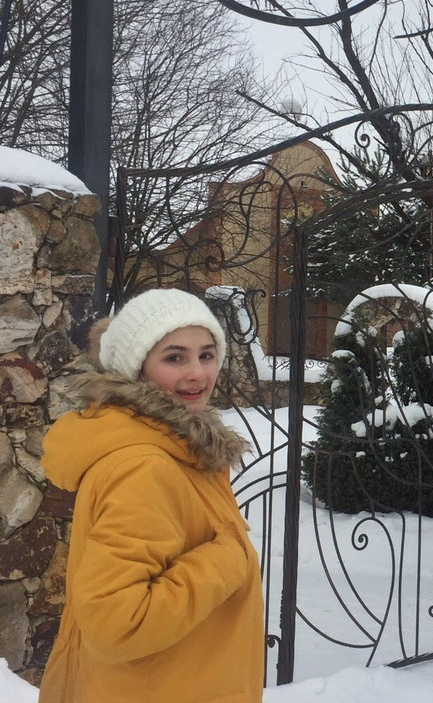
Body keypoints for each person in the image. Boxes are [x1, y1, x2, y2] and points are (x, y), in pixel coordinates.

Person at [38, 289, 264, 703]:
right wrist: (228, 559)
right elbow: (118, 623)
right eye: (174, 358)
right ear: (137, 368)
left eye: (207, 355)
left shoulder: (180, 447)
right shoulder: (145, 466)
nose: (197, 373)